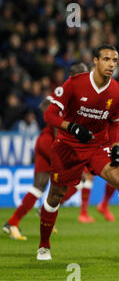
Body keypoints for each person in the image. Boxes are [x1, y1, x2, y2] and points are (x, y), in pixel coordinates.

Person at [36, 44, 119, 261]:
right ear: (95, 61)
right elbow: (50, 115)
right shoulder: (74, 84)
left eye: (115, 61)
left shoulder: (118, 91)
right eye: (107, 59)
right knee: (55, 195)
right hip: (68, 146)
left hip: (98, 147)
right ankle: (44, 246)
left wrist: (116, 147)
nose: (111, 64)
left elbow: (114, 124)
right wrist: (70, 127)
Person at [2, 62, 89, 241]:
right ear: (76, 75)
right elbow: (45, 106)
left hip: (44, 141)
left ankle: (12, 223)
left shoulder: (77, 94)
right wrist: (59, 132)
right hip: (52, 143)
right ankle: (46, 209)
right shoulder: (64, 91)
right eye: (85, 74)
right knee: (78, 178)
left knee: (39, 185)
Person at [78, 125, 119, 223]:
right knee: (88, 177)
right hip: (93, 142)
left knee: (116, 176)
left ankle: (104, 205)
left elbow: (112, 118)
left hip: (107, 143)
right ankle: (83, 213)